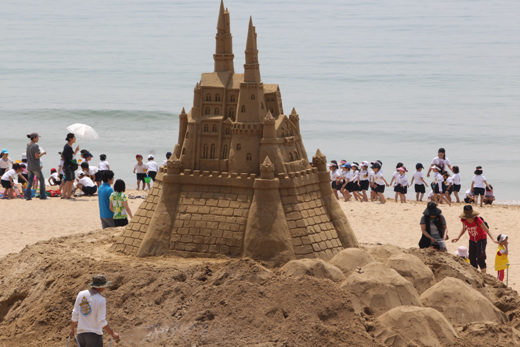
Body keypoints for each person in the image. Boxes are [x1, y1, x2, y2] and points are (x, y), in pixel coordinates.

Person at [70, 274, 120, 346]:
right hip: (94, 335)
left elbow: (75, 313)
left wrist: (72, 329)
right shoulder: (101, 299)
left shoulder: (81, 294)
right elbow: (101, 320)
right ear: (100, 287)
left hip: (81, 335)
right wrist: (112, 333)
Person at [452, 205, 498, 274]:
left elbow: (487, 230)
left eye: (470, 216)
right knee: (472, 257)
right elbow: (464, 228)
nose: (469, 218)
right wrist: (458, 237)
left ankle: (484, 274)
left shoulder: (477, 219)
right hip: (472, 239)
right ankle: (475, 274)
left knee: (480, 257)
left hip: (481, 239)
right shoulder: (463, 219)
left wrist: (493, 239)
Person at [24, 132, 48, 200]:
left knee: (30, 181)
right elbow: (36, 156)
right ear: (34, 138)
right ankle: (42, 195)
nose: (38, 139)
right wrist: (43, 153)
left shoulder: (28, 145)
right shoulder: (35, 146)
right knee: (42, 180)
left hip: (30, 166)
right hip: (35, 166)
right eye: (37, 137)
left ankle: (27, 196)